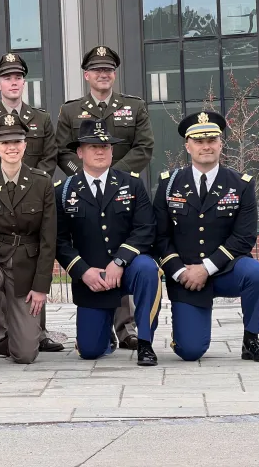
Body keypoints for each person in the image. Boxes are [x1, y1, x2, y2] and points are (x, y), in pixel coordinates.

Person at [55, 45, 154, 351]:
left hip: (125, 193)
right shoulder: (70, 110)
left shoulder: (134, 106)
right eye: (97, 70)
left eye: (108, 70)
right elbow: (62, 150)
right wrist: (85, 175)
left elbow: (144, 147)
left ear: (115, 74)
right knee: (90, 350)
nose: (103, 74)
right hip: (85, 192)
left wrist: (113, 177)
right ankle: (101, 327)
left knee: (126, 256)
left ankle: (128, 329)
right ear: (87, 75)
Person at [153, 111, 259, 362]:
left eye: (211, 140)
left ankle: (251, 339)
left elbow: (244, 237)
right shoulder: (169, 184)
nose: (206, 146)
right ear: (187, 146)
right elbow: (160, 236)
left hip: (226, 271)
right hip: (185, 276)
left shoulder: (241, 184)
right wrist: (178, 271)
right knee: (190, 351)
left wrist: (206, 268)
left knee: (257, 274)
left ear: (221, 144)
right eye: (198, 141)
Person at [0, 52, 62, 355]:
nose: (14, 82)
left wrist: (34, 186)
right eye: (8, 77)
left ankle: (38, 331)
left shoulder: (42, 119)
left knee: (32, 253)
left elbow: (49, 157)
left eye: (18, 77)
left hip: (34, 197)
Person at [56, 119, 161, 366]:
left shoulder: (132, 184)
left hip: (128, 268)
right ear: (80, 152)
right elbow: (58, 240)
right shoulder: (63, 191)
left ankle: (145, 342)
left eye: (106, 145)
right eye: (93, 146)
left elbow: (145, 228)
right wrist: (83, 272)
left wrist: (121, 260)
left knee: (148, 269)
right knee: (91, 351)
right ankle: (105, 335)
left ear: (113, 151)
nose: (100, 151)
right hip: (92, 277)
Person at [0, 115, 56, 370]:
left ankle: (7, 340)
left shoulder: (42, 183)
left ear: (25, 145)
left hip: (26, 266)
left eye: (17, 141)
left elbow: (48, 238)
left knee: (25, 354)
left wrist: (41, 287)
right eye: (5, 142)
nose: (11, 147)